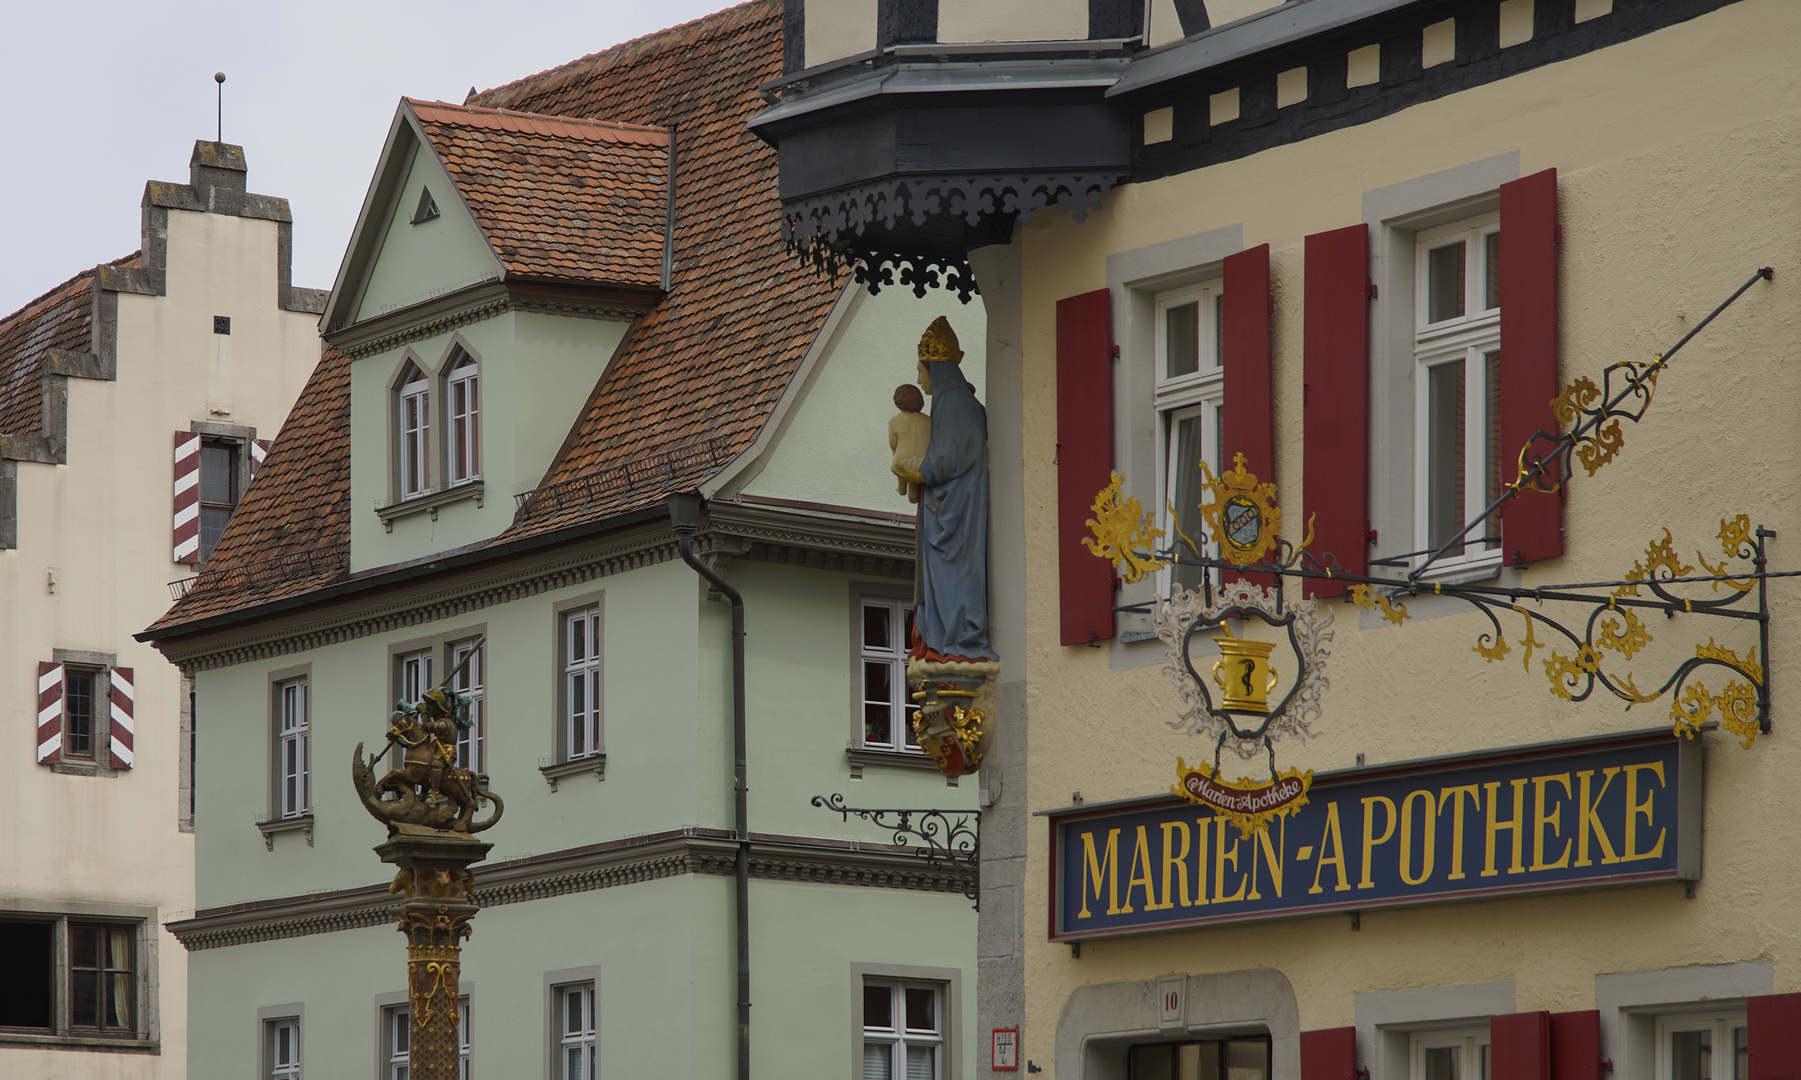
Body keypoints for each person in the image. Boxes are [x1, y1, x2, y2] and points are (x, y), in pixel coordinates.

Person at [892, 317, 997, 662]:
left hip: (957, 512)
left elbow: (947, 460)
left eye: (922, 371)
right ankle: (941, 638)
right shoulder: (949, 403)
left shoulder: (954, 403)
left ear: (934, 370)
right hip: (948, 507)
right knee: (945, 577)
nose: (920, 380)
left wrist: (914, 470)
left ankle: (956, 640)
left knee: (954, 574)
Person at [889, 383, 931, 503]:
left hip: (901, 463)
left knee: (899, 465)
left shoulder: (894, 421)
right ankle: (913, 495)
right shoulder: (928, 420)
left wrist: (896, 452)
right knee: (914, 473)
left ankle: (901, 489)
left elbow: (893, 444)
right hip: (922, 462)